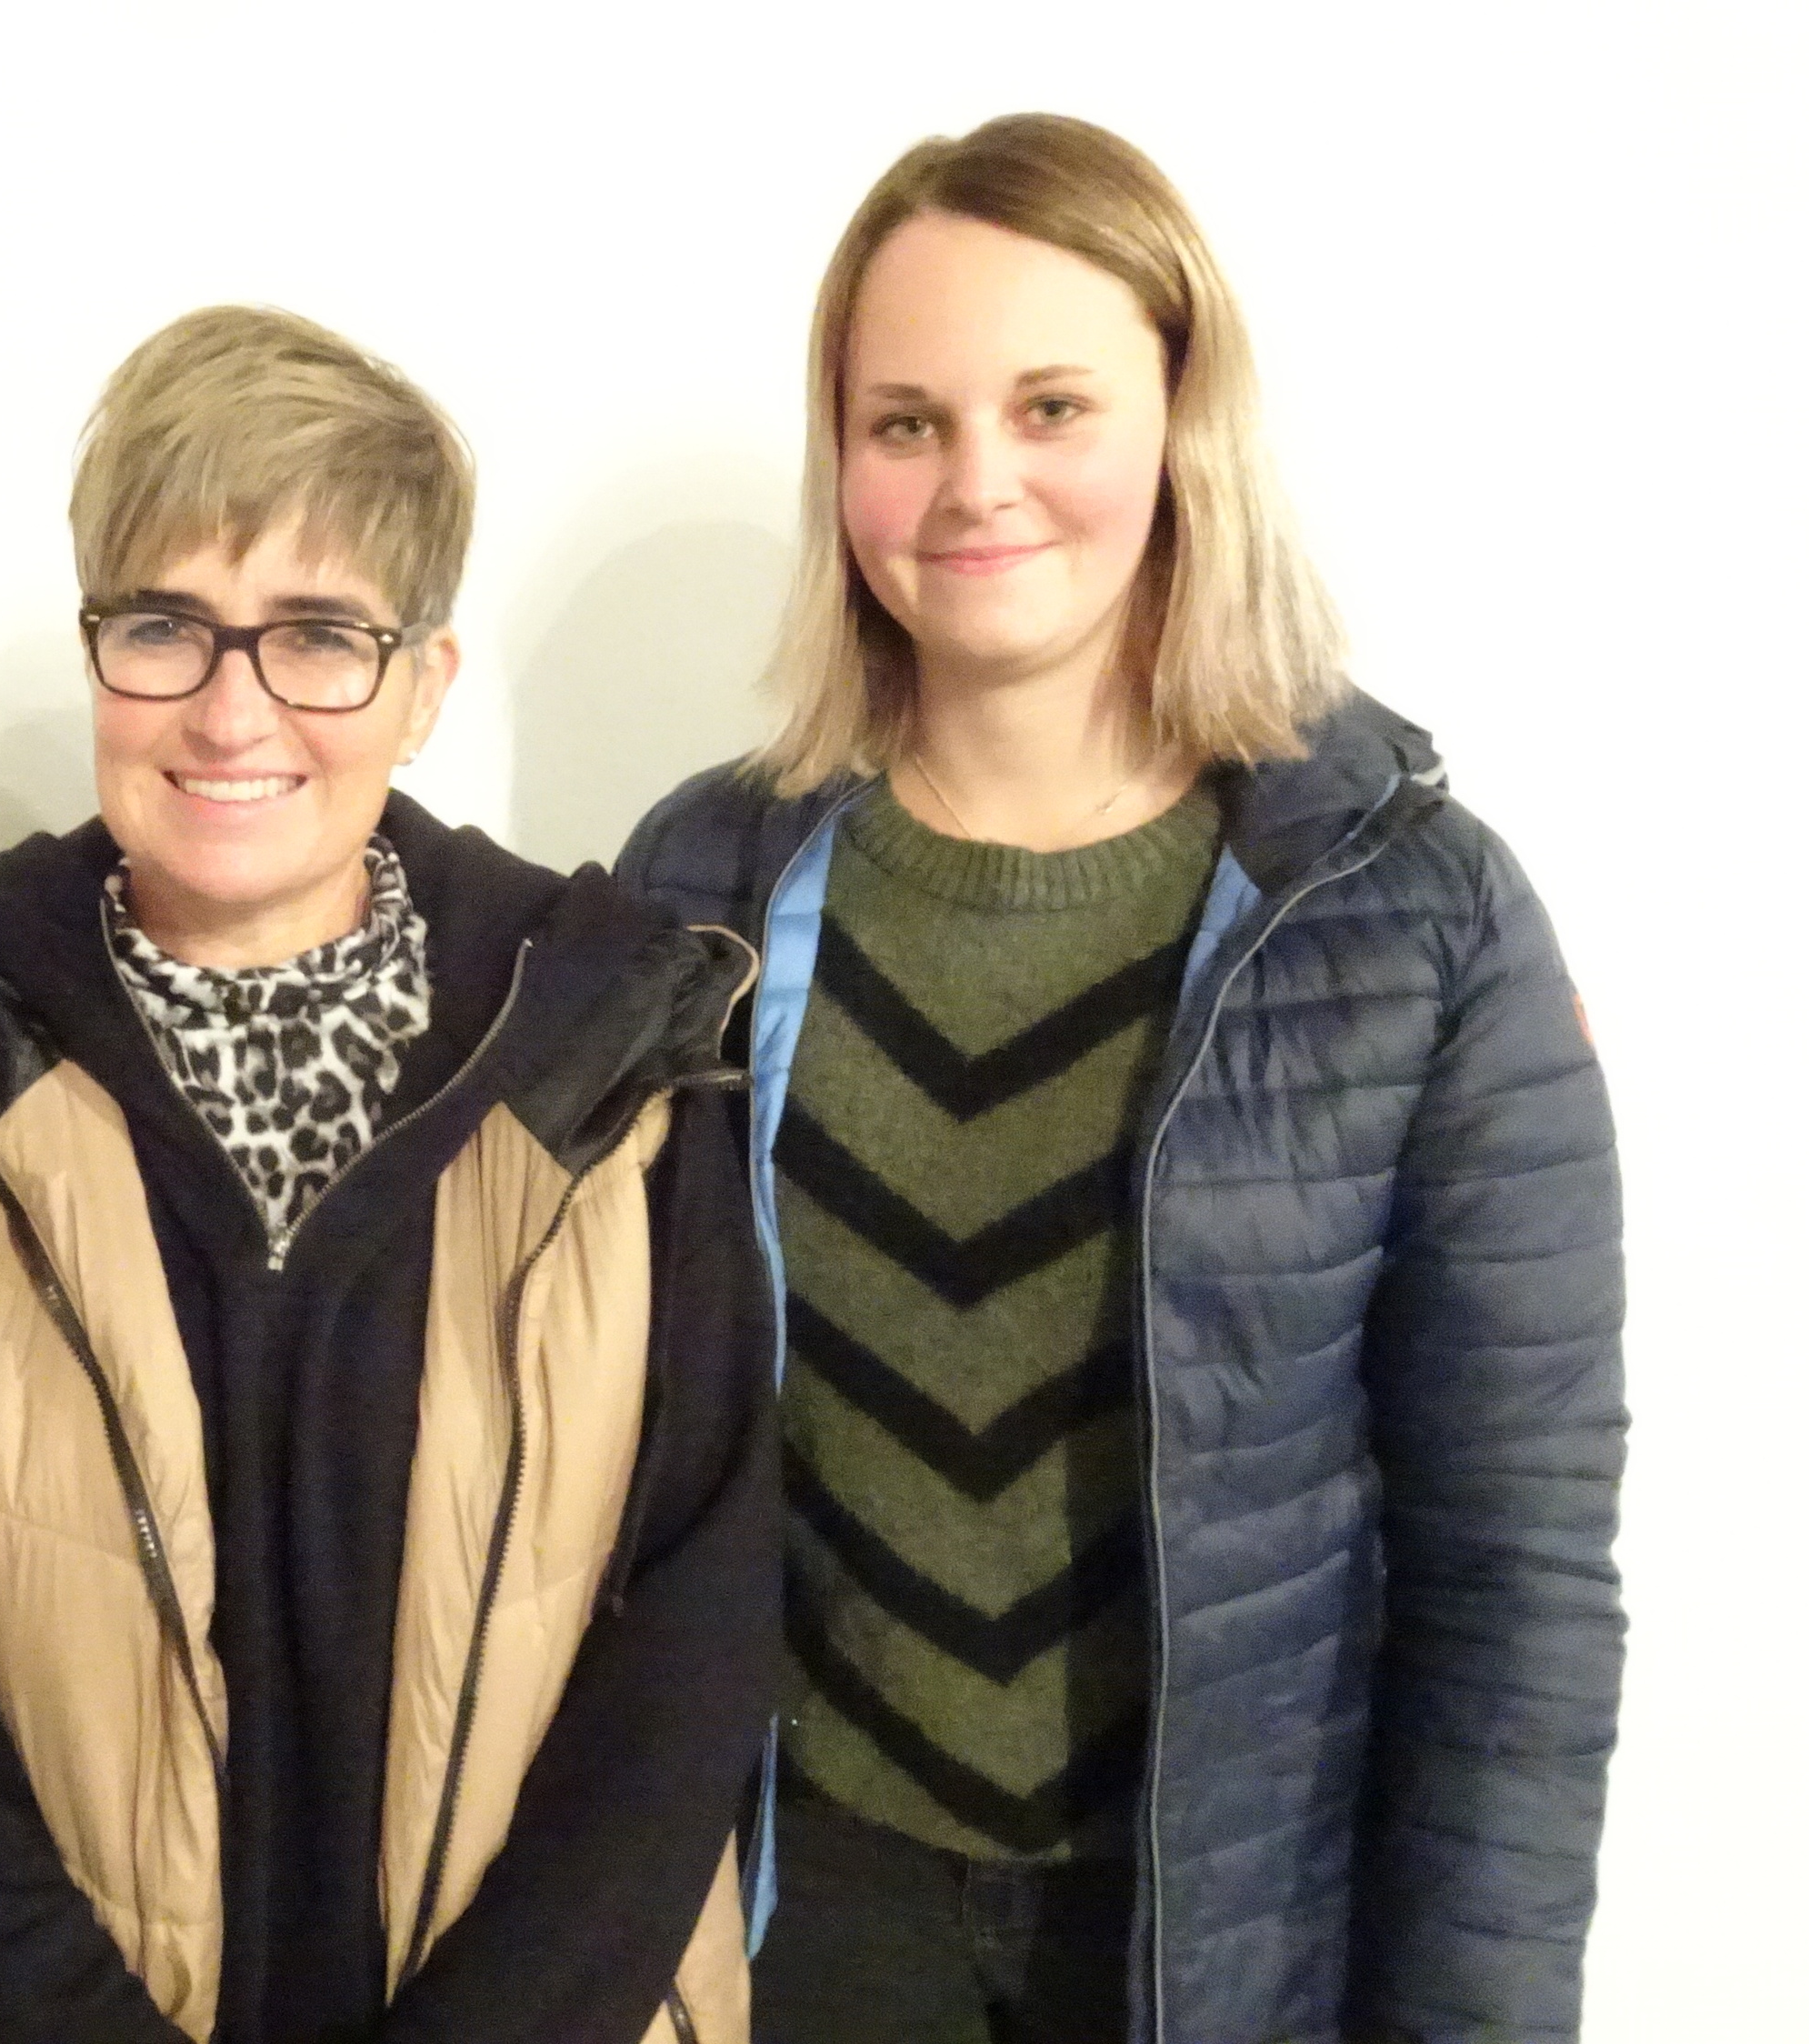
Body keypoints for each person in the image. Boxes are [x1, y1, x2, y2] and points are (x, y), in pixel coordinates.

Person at [619, 115, 1626, 2044]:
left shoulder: (1411, 915)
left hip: (1225, 1944)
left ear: (1182, 421)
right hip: (804, 1924)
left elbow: (1514, 1582)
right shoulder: (697, 888)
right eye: (904, 421)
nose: (974, 481)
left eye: (1051, 405)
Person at [0, 306, 776, 2044]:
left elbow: (693, 1645)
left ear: (424, 687)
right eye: (164, 627)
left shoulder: (619, 1065)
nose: (231, 709)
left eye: (320, 635)